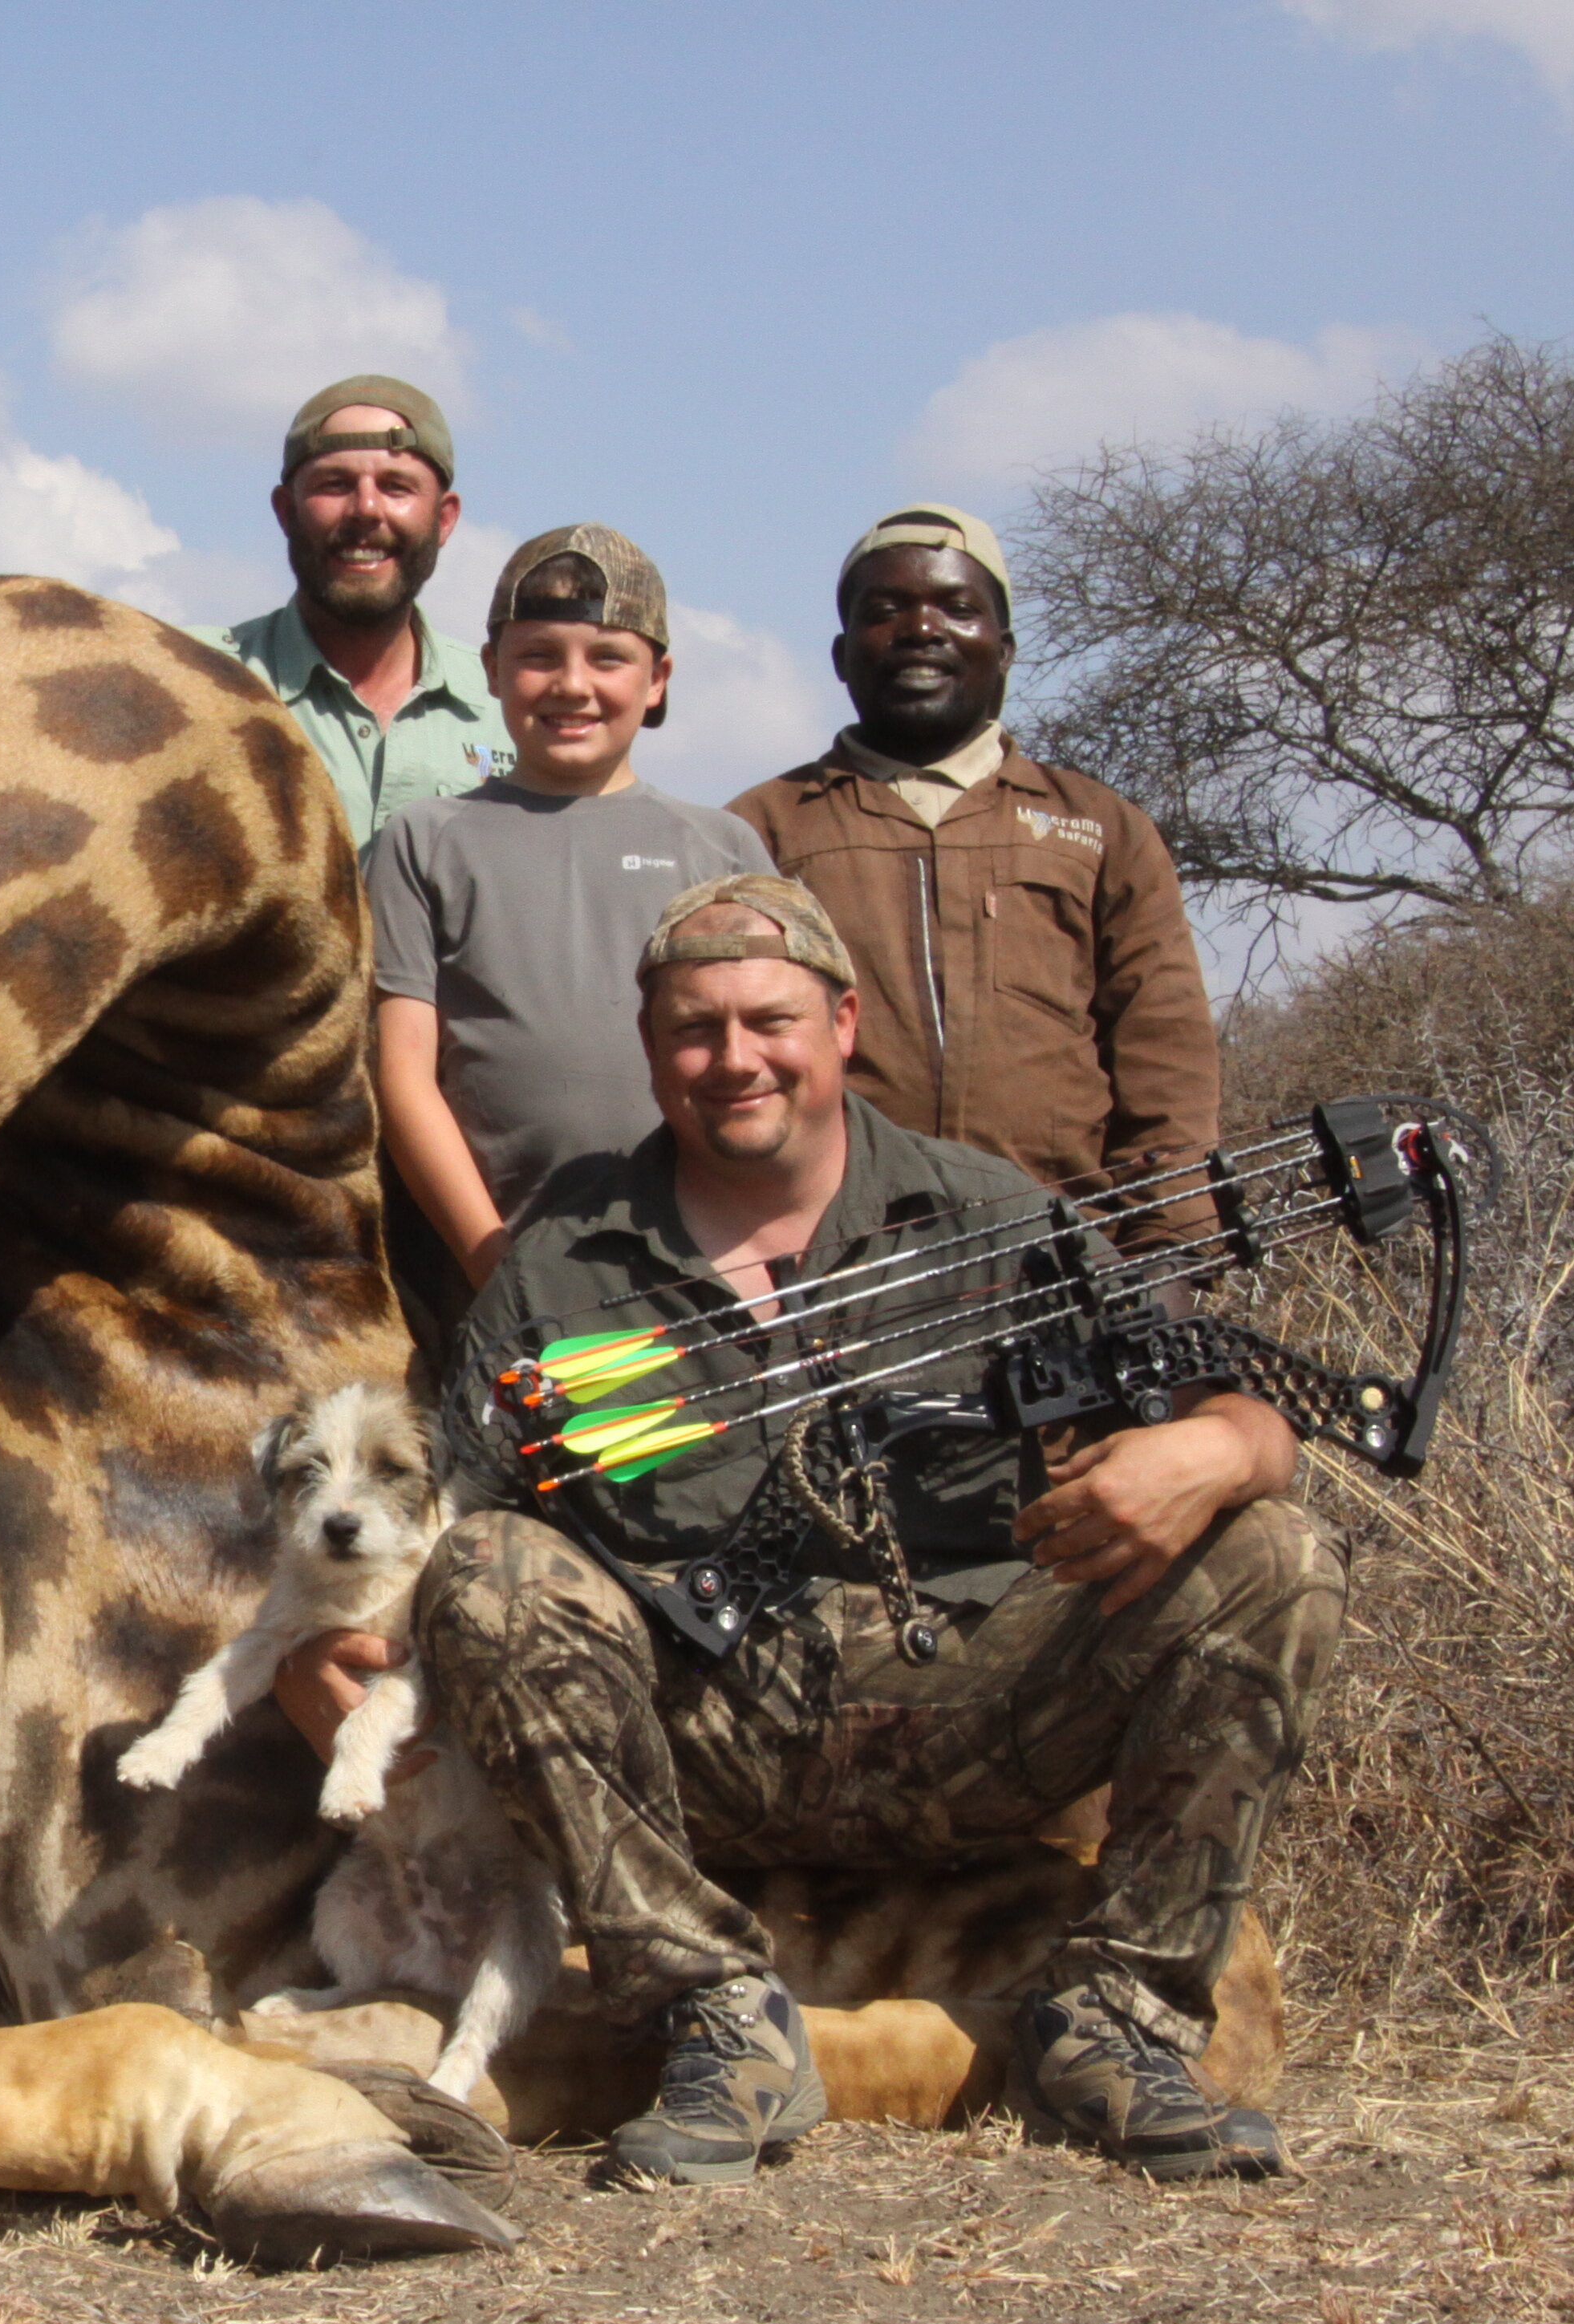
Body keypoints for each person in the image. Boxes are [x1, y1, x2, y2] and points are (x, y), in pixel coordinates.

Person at [288, 874, 1341, 2188]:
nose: (732, 1058)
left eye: (766, 1020)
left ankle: (1116, 2022)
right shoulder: (565, 1253)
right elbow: (452, 1499)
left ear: (840, 1024)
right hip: (693, 1740)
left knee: (1272, 1552)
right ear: (650, 1048)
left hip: (972, 1714)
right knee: (488, 1574)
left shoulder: (988, 1215)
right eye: (692, 1029)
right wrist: (315, 1653)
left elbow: (1236, 1390)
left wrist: (1221, 1445)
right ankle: (712, 2015)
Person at [728, 505, 1221, 1235]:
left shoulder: (1102, 827)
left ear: (1005, 648)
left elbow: (1165, 1052)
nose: (922, 630)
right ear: (840, 655)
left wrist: (1167, 1245)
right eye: (886, 610)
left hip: (1066, 1252)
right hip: (835, 1265)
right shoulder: (756, 830)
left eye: (958, 608)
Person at [364, 525, 767, 1306]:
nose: (572, 685)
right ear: (491, 669)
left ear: (659, 679)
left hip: (703, 1279)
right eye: (539, 655)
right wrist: (503, 1280)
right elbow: (402, 1074)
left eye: (608, 658)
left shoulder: (721, 847)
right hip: (484, 1283)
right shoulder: (425, 840)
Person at [197, 375, 505, 851]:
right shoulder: (196, 679)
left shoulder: (510, 707)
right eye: (335, 485)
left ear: (444, 519)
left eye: (396, 486)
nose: (365, 509)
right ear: (286, 511)